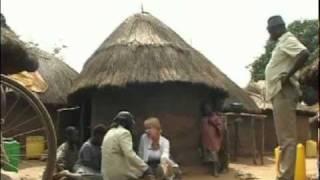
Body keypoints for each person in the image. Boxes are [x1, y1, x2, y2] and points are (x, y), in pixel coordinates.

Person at [265, 15, 310, 180]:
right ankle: (284, 175)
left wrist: (287, 76)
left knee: (287, 139)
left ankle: (286, 177)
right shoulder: (281, 43)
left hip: (284, 92)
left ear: (277, 28)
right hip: (279, 93)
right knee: (285, 139)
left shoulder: (287, 39)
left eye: (269, 30)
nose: (269, 33)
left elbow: (304, 53)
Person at [101, 111, 154, 180]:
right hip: (119, 174)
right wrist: (145, 167)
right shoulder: (124, 132)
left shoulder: (109, 132)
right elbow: (129, 154)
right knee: (147, 174)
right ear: (127, 123)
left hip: (107, 175)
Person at [200, 102, 224, 177]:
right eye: (205, 109)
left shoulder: (216, 117)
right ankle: (216, 170)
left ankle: (215, 171)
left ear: (211, 109)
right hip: (206, 141)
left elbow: (221, 128)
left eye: (208, 108)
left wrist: (213, 123)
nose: (206, 110)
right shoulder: (203, 119)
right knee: (209, 157)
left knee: (214, 156)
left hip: (214, 140)